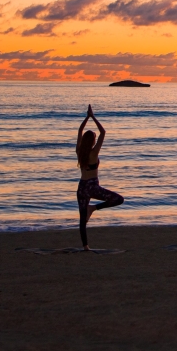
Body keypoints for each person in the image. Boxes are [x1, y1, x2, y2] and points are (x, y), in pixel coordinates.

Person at [75, 104, 124, 249]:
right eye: (94, 139)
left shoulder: (79, 151)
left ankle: (85, 246)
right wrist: (93, 117)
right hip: (92, 187)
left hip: (81, 188)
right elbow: (103, 132)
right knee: (118, 199)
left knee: (82, 219)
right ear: (92, 141)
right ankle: (94, 208)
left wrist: (86, 118)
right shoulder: (93, 153)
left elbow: (80, 130)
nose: (96, 140)